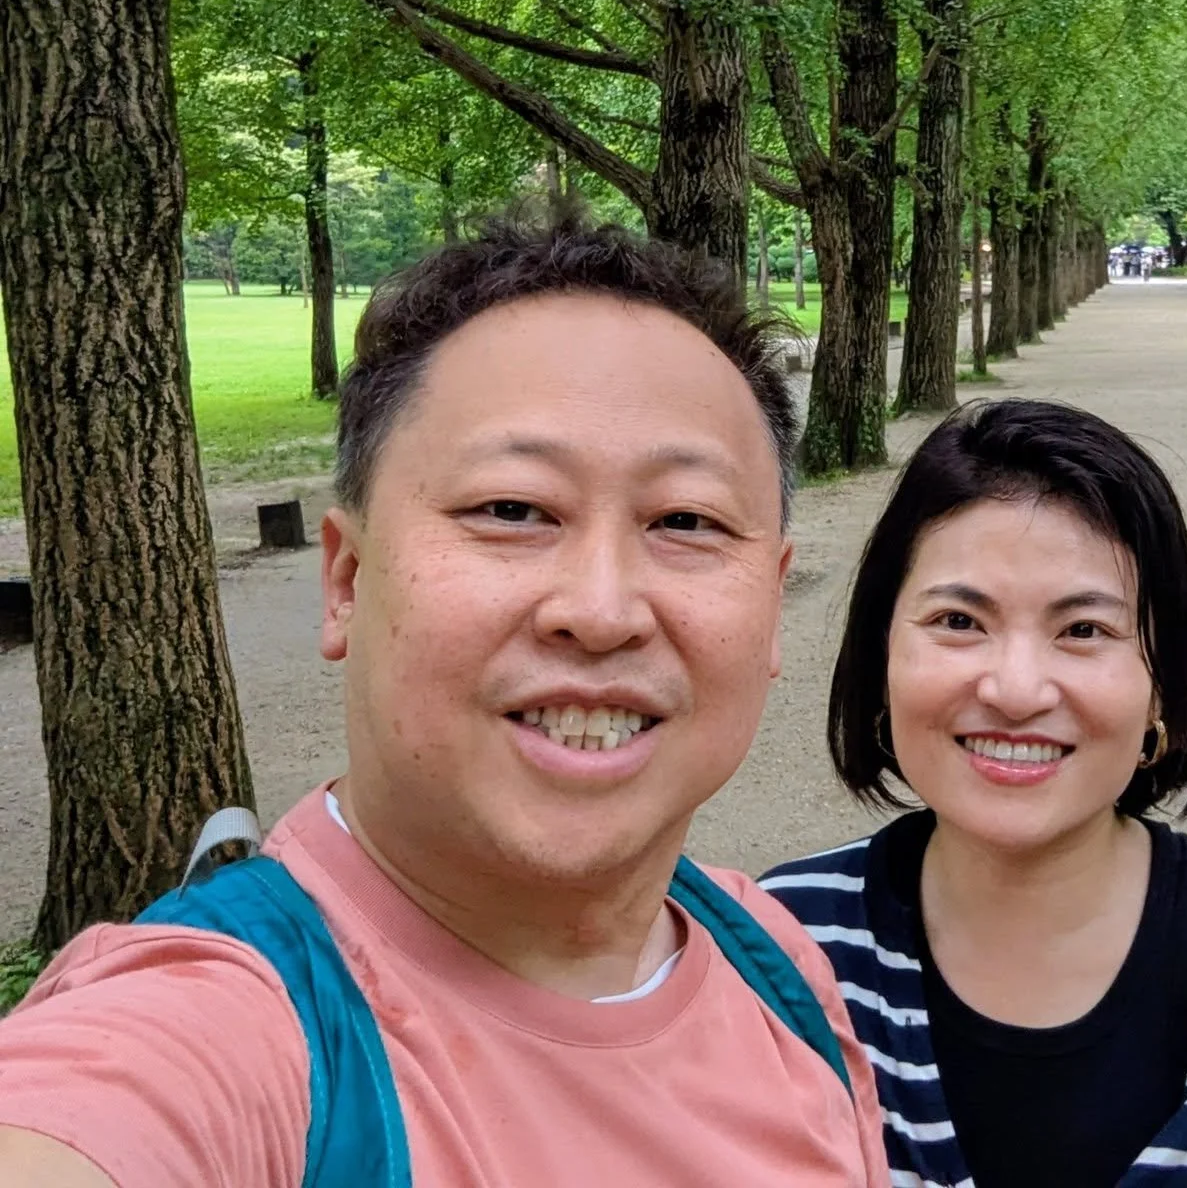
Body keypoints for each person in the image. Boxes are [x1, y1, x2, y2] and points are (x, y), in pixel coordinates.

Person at [0, 219, 890, 1188]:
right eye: (511, 509)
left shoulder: (776, 964)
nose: (601, 612)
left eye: (687, 520)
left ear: (771, 607)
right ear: (346, 579)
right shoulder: (218, 1036)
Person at [764, 400, 1187, 1187]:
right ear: (881, 653)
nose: (1016, 690)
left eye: (1083, 630)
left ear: (1162, 689)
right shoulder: (776, 951)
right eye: (958, 620)